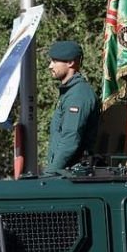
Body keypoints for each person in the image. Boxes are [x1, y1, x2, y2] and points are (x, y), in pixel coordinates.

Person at [44, 40, 99, 174]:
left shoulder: (78, 94)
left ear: (70, 62)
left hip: (72, 174)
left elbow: (71, 138)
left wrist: (50, 173)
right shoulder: (70, 92)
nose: (50, 66)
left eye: (55, 61)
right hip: (65, 173)